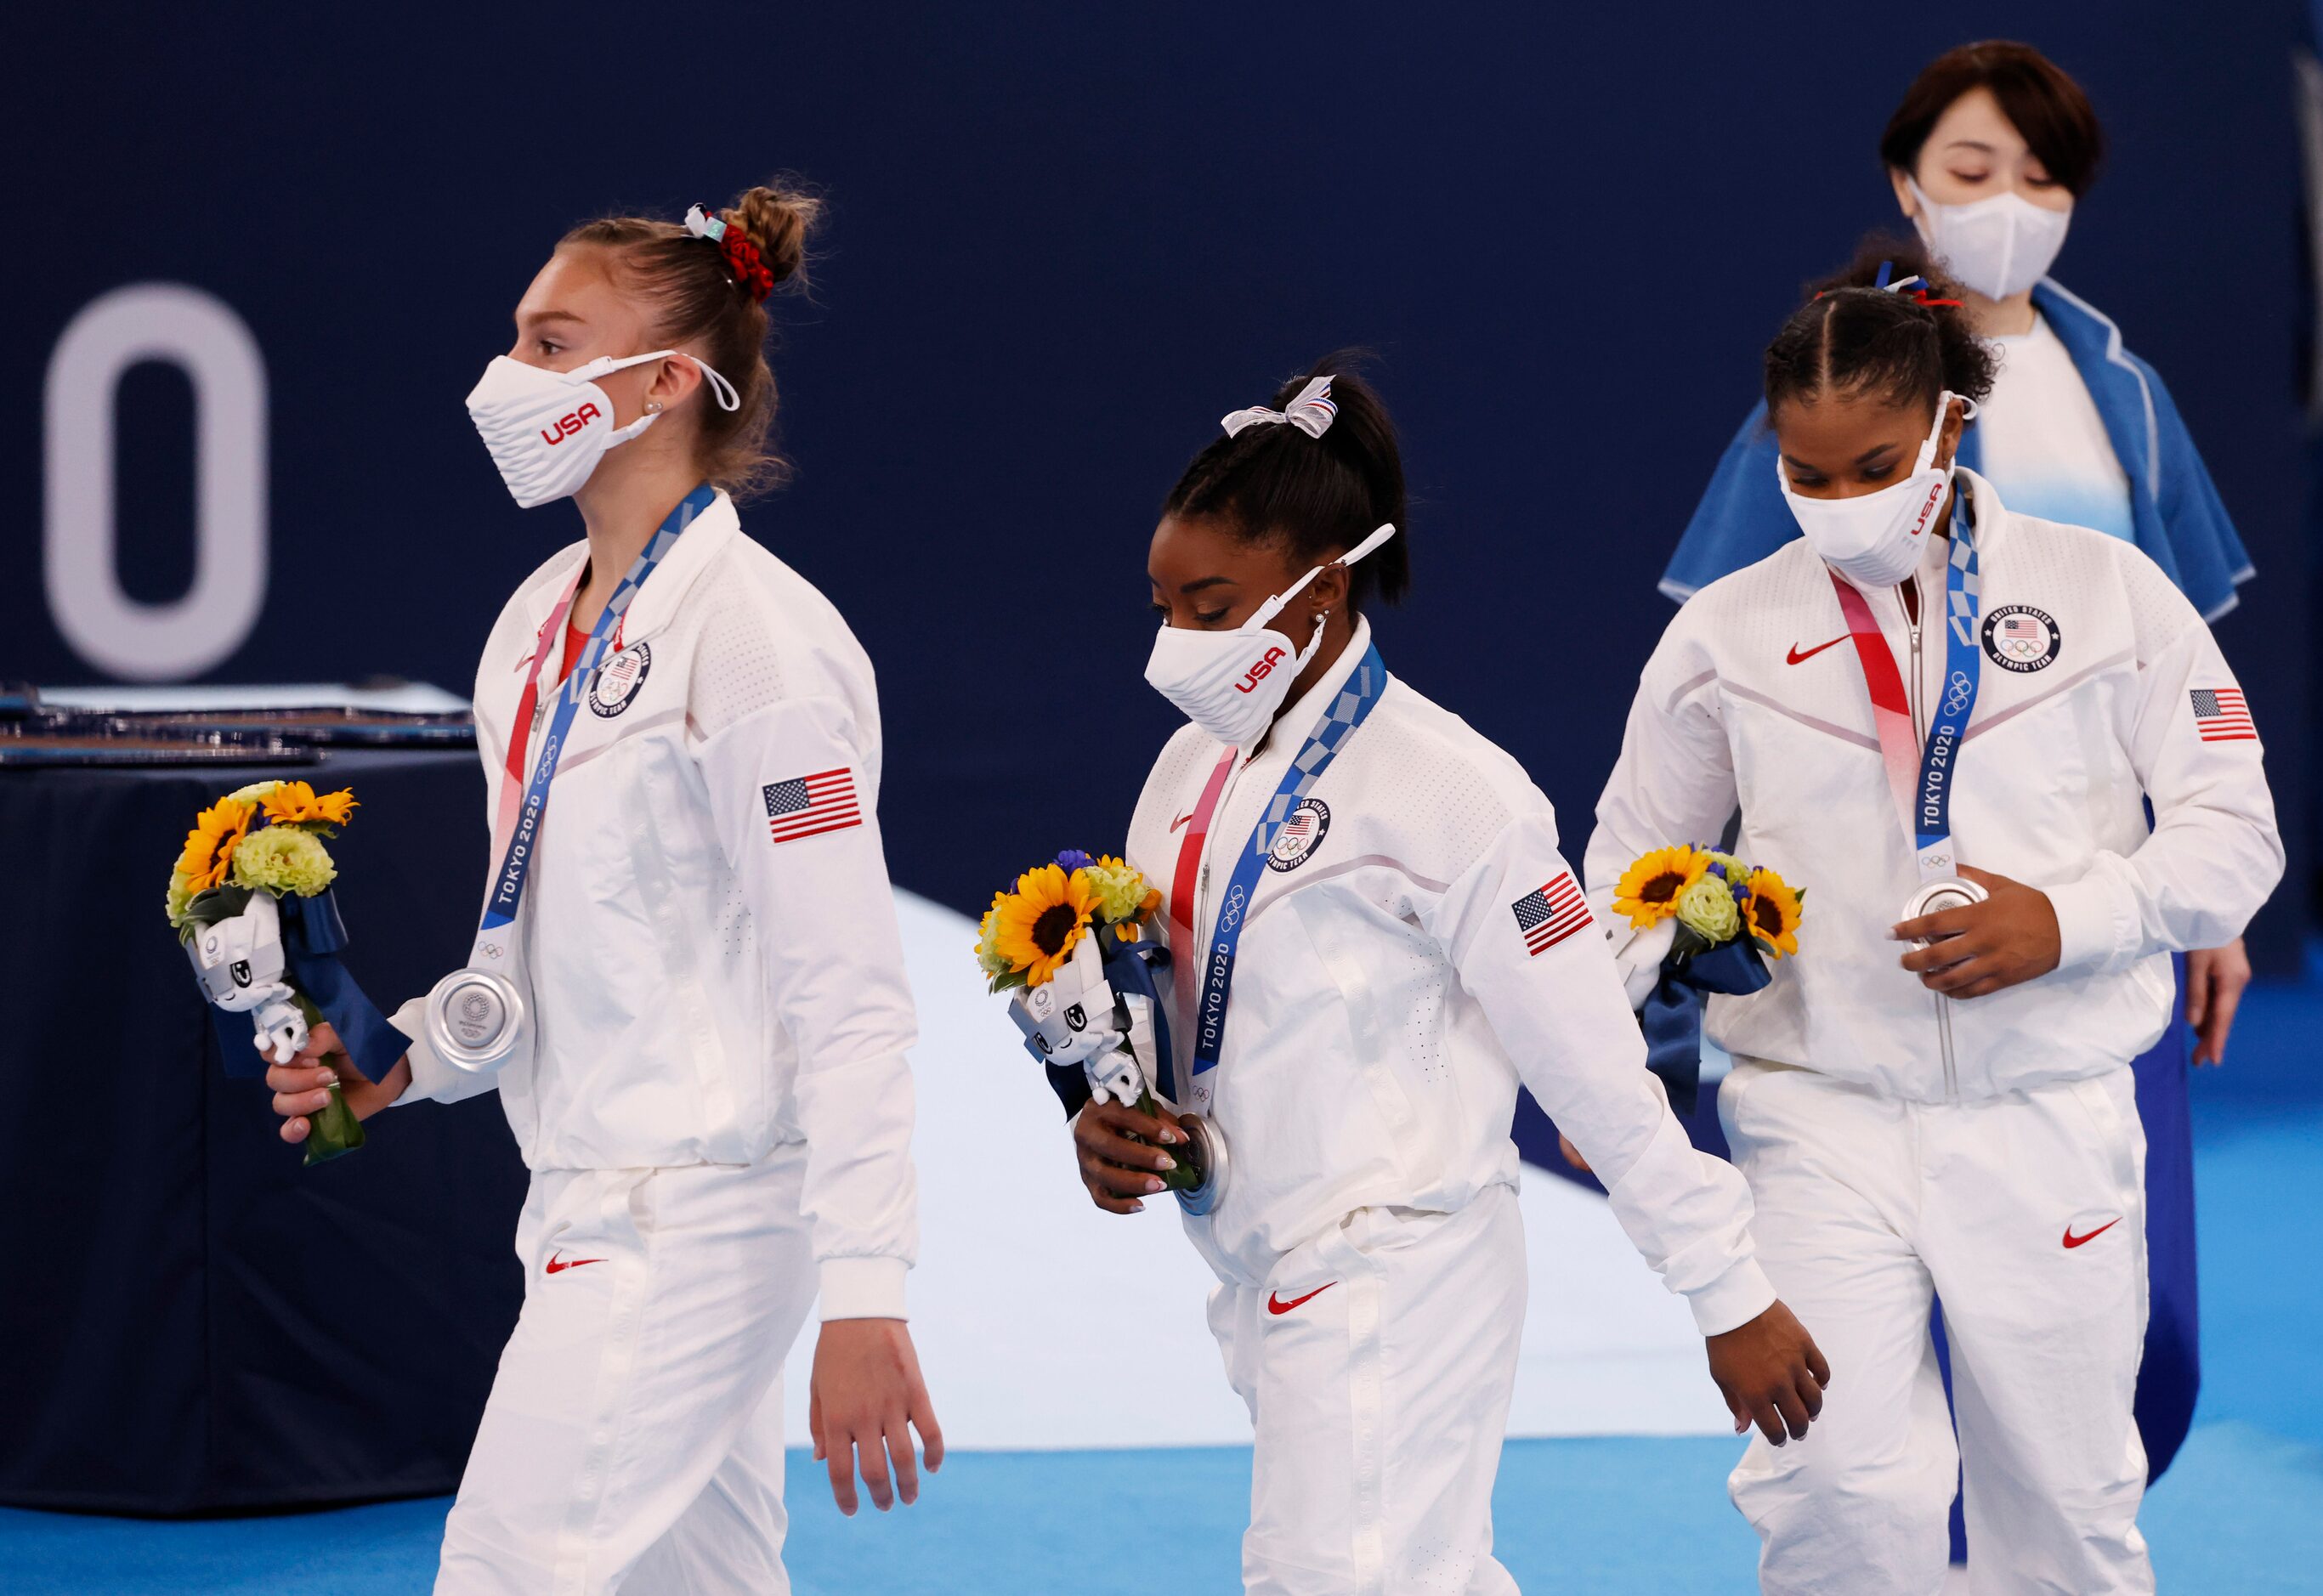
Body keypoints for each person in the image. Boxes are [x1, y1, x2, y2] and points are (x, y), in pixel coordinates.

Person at [263, 183, 942, 1593]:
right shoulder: (529, 633)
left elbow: (851, 991)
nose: (513, 378)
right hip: (577, 1197)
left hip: (701, 1214)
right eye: (518, 340)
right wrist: (401, 1059)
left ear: (667, 383)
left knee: (505, 1568)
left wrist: (866, 1288)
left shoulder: (758, 644)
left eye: (554, 343)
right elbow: (527, 958)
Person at [1066, 354, 1827, 1594]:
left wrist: (1724, 1289)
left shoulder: (1454, 792)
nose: (1174, 643)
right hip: (1259, 1270)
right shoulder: (1183, 776)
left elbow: (1589, 1061)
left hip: (1396, 1271)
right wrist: (1108, 1115)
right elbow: (1181, 1013)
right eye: (1161, 605)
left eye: (1210, 606)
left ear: (1317, 592)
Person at [1589, 249, 2282, 1593]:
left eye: (1873, 463)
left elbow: (2233, 835)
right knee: (1837, 1500)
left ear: (1952, 423)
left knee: (2064, 1520)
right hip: (1813, 1117)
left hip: (2048, 1115)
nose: (1840, 503)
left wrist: (2074, 918)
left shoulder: (2105, 594)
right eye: (1807, 473)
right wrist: (1646, 982)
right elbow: (1626, 868)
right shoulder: (1725, 635)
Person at [1655, 39, 2254, 1480]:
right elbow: (1720, 678)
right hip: (1852, 980)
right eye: (1973, 171)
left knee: (2121, 1355)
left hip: (2083, 922)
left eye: (2038, 179)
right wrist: (1678, 964)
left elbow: (2185, 681)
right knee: (1868, 1409)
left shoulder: (2121, 386)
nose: (2006, 204)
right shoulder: (1836, 392)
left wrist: (2199, 899)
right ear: (1907, 187)